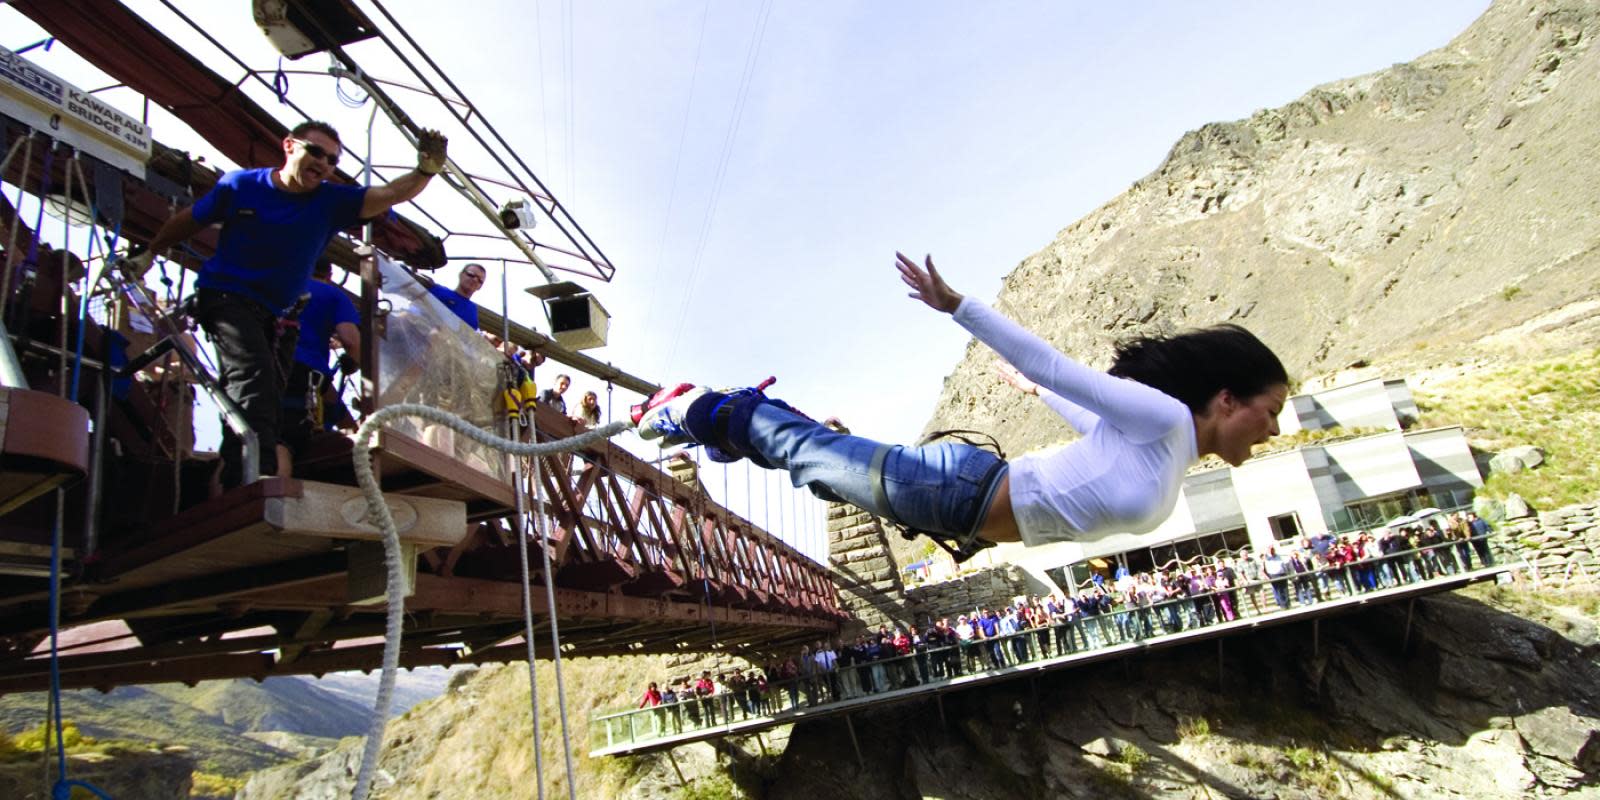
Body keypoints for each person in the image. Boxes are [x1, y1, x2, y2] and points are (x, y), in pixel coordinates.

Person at [634, 253, 1288, 562]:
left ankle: (729, 426)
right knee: (815, 462)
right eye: (1272, 410)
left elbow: (1083, 413)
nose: (1275, 428)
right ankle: (696, 410)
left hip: (962, 502)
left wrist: (1035, 394)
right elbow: (1057, 366)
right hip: (959, 492)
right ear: (1228, 400)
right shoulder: (1168, 420)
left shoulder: (1167, 449)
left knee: (823, 466)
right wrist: (959, 307)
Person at [138, 120, 447, 487]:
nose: (323, 164)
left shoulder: (331, 201)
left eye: (332, 160)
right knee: (254, 382)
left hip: (279, 316)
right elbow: (188, 221)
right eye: (315, 152)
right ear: (288, 146)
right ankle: (260, 481)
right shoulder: (241, 185)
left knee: (263, 396)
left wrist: (425, 171)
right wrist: (150, 252)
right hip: (227, 297)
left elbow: (390, 194)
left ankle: (232, 481)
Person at [278, 260, 361, 477]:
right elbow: (351, 340)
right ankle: (271, 507)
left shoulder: (280, 285)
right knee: (283, 441)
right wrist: (352, 362)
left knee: (239, 444)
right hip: (302, 373)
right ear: (329, 275)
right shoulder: (332, 294)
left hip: (261, 365)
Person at [429, 262, 486, 330]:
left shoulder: (472, 312)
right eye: (471, 274)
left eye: (480, 280)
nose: (475, 280)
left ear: (480, 287)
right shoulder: (437, 290)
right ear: (460, 275)